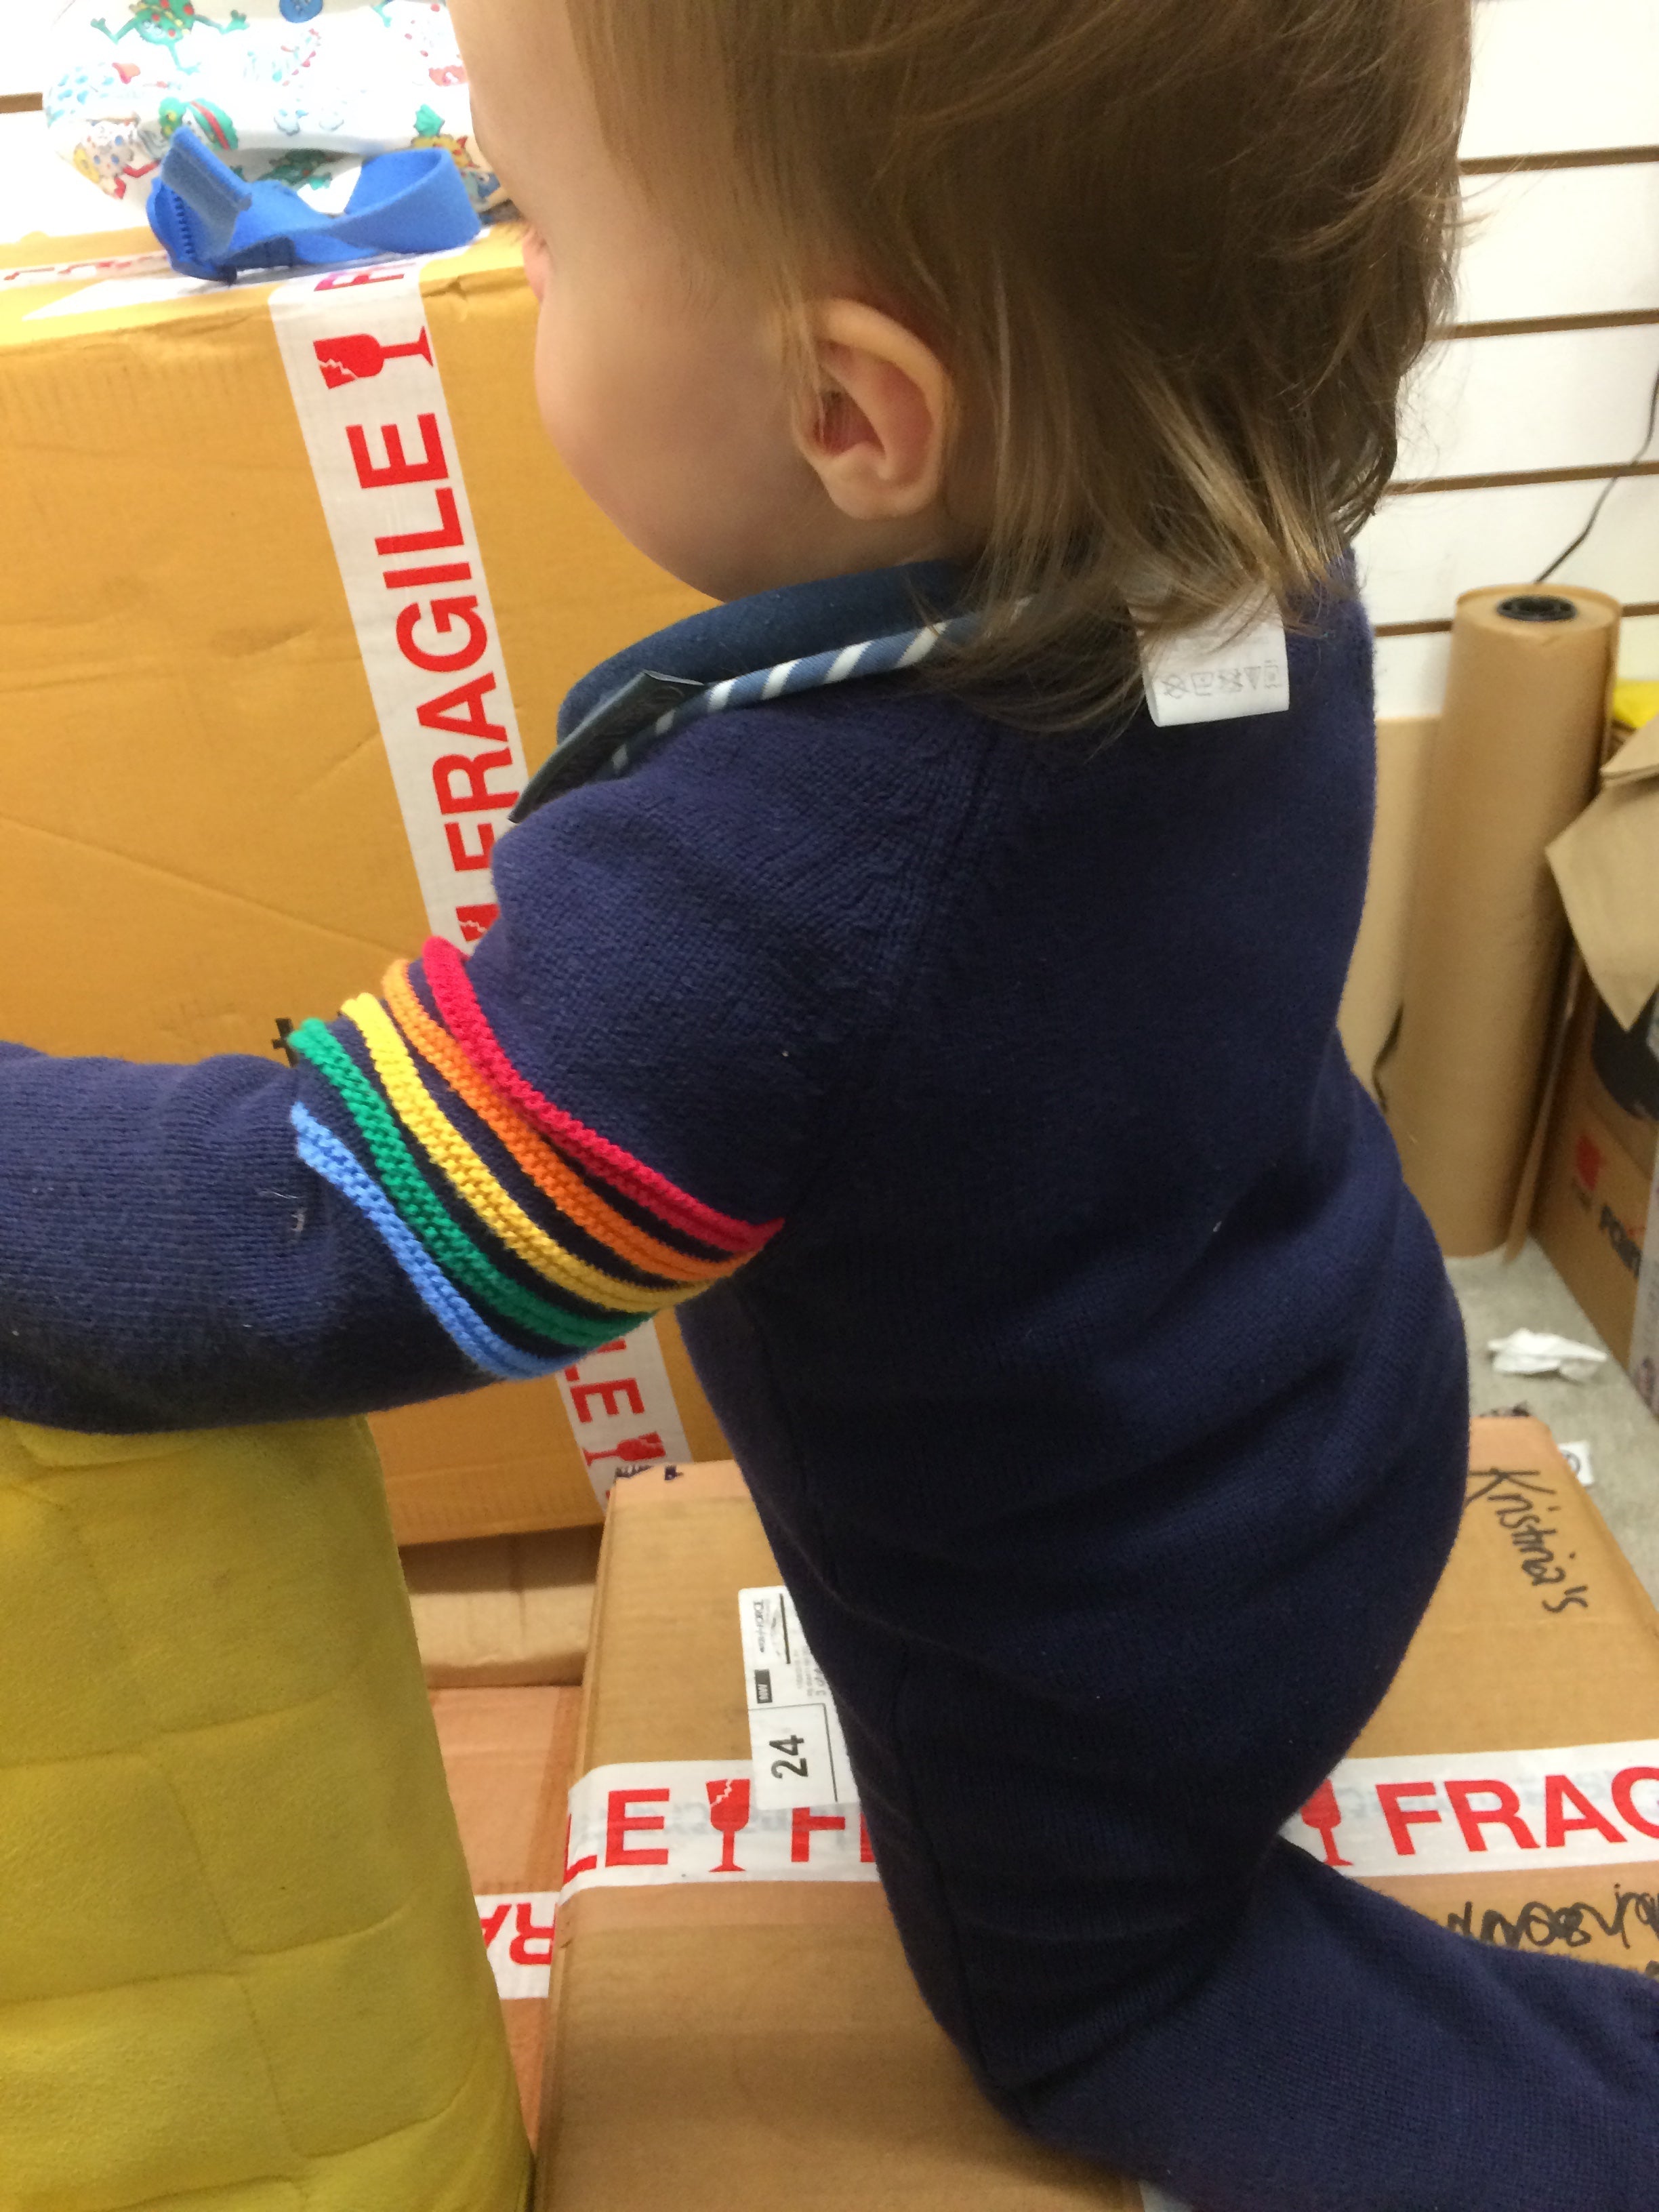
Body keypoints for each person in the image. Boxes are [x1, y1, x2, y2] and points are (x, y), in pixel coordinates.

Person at [3, 2, 1656, 2205]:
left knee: (1105, 2017)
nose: (518, 272)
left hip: (1097, 1667)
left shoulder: (774, 893)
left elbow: (315, 1238)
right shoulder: (1252, 553)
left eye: (533, 224)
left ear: (852, 409)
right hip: (1344, 1423)